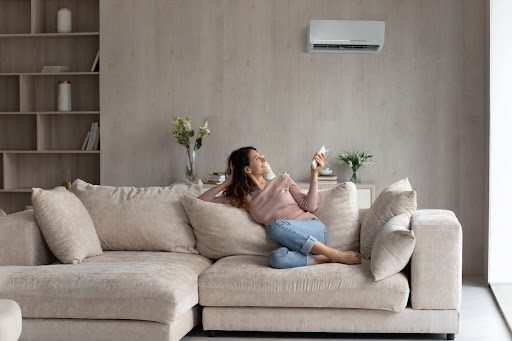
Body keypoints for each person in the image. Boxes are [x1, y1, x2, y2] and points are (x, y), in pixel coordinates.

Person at [198, 146, 361, 269]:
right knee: (275, 259)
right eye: (256, 158)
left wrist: (314, 174)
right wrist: (229, 180)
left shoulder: (282, 179)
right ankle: (324, 259)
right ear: (247, 169)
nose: (262, 158)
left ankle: (335, 254)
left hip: (314, 229)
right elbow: (202, 201)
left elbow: (310, 205)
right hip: (293, 243)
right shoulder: (245, 198)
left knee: (274, 227)